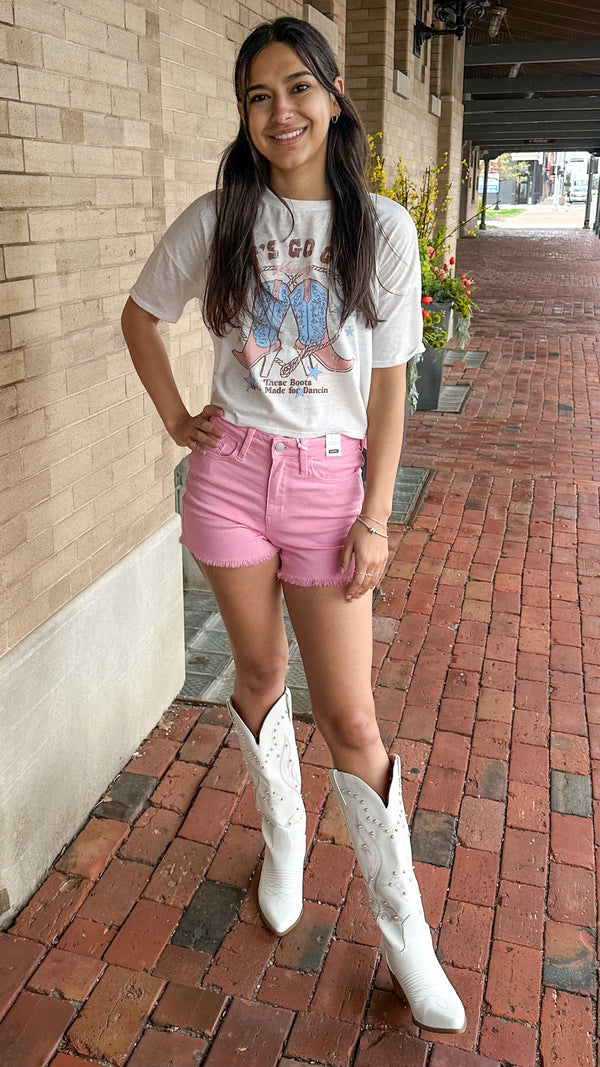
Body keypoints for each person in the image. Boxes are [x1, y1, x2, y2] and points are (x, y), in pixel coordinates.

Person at [122, 16, 466, 1035]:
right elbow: (141, 316)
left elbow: (391, 386)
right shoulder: (222, 217)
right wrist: (177, 419)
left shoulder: (383, 228)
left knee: (352, 718)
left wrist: (376, 518)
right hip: (230, 478)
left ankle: (406, 933)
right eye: (259, 95)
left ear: (334, 96)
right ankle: (284, 837)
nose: (282, 111)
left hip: (328, 488)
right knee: (260, 673)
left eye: (299, 88)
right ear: (244, 113)